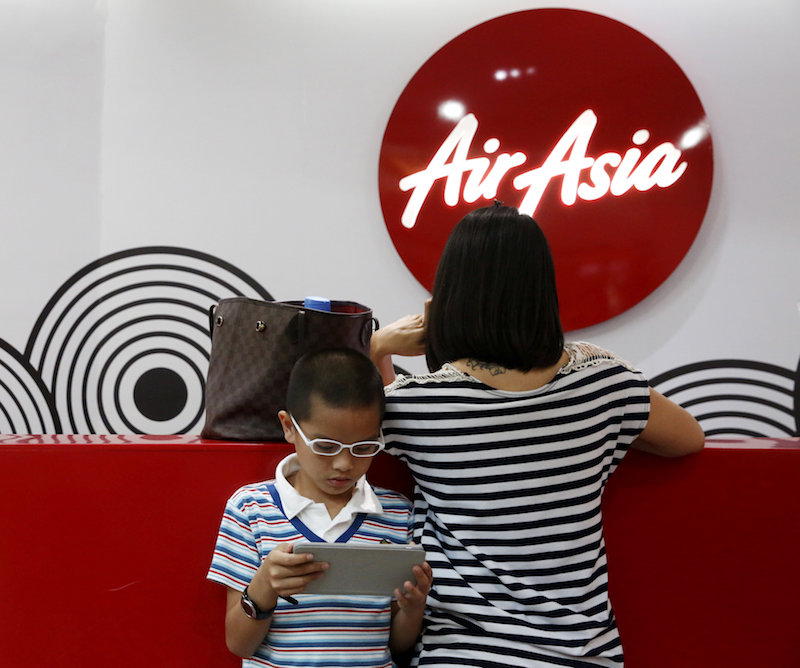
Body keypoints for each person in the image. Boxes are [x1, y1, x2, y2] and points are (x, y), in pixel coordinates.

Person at [370, 204, 705, 667]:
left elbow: (355, 423)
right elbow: (689, 437)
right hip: (582, 655)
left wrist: (378, 347)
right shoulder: (605, 384)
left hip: (463, 654)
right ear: (543, 292)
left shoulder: (416, 404)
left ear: (449, 295)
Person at [207, 348, 433, 668]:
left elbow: (397, 644)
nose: (344, 464)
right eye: (325, 446)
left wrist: (412, 610)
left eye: (364, 447)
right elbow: (239, 644)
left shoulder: (396, 514)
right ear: (289, 427)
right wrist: (264, 587)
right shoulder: (250, 509)